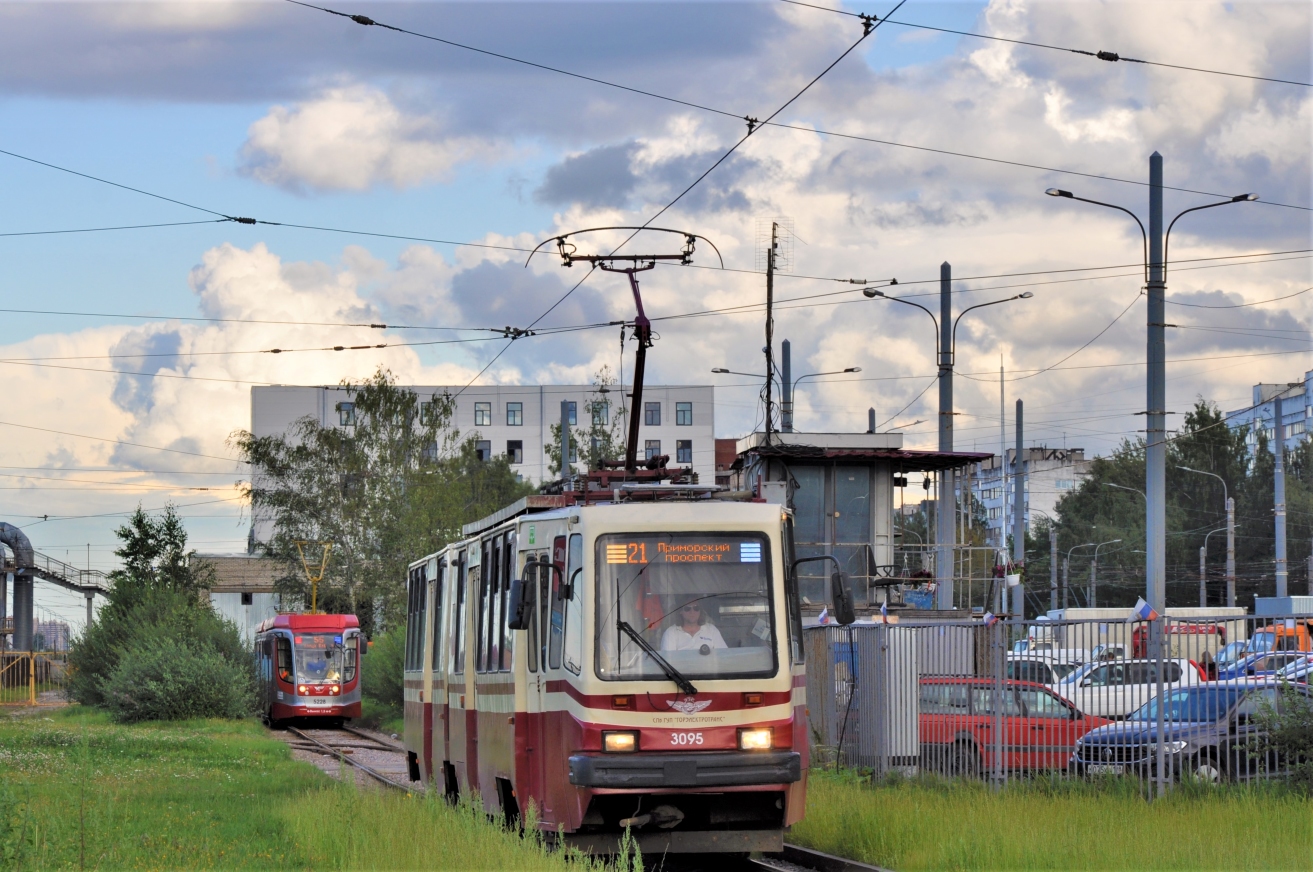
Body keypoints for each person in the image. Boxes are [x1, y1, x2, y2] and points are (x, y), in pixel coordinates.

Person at [660, 602, 728, 652]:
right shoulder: (671, 633)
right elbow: (667, 661)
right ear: (681, 611)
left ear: (700, 611)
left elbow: (724, 656)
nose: (692, 611)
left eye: (696, 608)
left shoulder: (712, 630)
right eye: (687, 608)